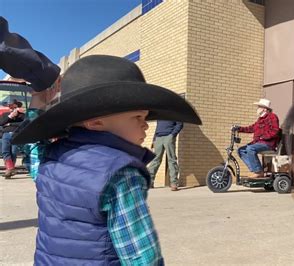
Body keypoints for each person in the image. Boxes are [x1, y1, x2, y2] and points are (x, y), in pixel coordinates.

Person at [11, 55, 201, 265]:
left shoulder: (52, 156)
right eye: (137, 117)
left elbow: (32, 149)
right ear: (95, 122)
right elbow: (139, 253)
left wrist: (38, 102)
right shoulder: (120, 173)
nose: (146, 125)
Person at [234, 99, 280, 178]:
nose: (257, 109)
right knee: (241, 150)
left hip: (268, 144)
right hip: (259, 143)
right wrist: (239, 129)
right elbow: (251, 128)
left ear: (264, 109)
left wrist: (263, 136)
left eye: (259, 107)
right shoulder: (260, 120)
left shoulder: (272, 116)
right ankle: (255, 170)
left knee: (250, 149)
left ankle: (258, 171)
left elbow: (275, 130)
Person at [147, 120, 183, 190]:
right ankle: (150, 182)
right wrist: (154, 139)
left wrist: (172, 135)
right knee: (155, 160)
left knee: (171, 160)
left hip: (169, 137)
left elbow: (180, 124)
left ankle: (174, 183)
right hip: (158, 138)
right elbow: (157, 127)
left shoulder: (174, 112)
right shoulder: (161, 115)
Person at [0, 99, 25, 178]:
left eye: (11, 105)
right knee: (5, 151)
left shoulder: (22, 115)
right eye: (8, 105)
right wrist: (10, 117)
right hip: (6, 134)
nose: (9, 107)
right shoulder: (5, 114)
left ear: (16, 105)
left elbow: (23, 124)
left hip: (16, 134)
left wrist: (10, 123)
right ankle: (10, 168)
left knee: (14, 152)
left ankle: (10, 170)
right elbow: (1, 123)